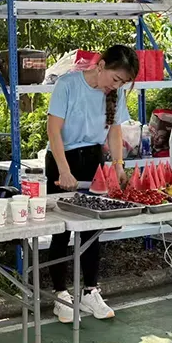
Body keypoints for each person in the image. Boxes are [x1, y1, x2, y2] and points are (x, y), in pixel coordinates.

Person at [45, 45, 139, 323]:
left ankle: (90, 291)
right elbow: (53, 130)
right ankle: (60, 295)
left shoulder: (115, 94)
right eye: (115, 79)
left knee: (92, 229)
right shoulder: (67, 84)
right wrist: (64, 170)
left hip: (93, 161)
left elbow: (115, 131)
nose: (116, 86)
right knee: (61, 231)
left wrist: (118, 167)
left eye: (122, 83)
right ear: (101, 66)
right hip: (63, 159)